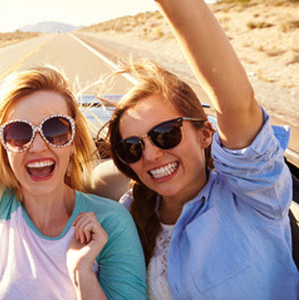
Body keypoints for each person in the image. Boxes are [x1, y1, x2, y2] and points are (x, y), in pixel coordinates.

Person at [107, 0, 299, 299]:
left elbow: (237, 105)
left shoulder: (253, 194)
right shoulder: (126, 215)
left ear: (205, 134)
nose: (151, 155)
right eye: (132, 148)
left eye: (166, 134)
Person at [0, 0, 146, 299]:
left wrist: (81, 272)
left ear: (73, 141)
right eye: (18, 133)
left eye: (55, 130)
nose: (37, 146)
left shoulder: (110, 223)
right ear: (3, 147)